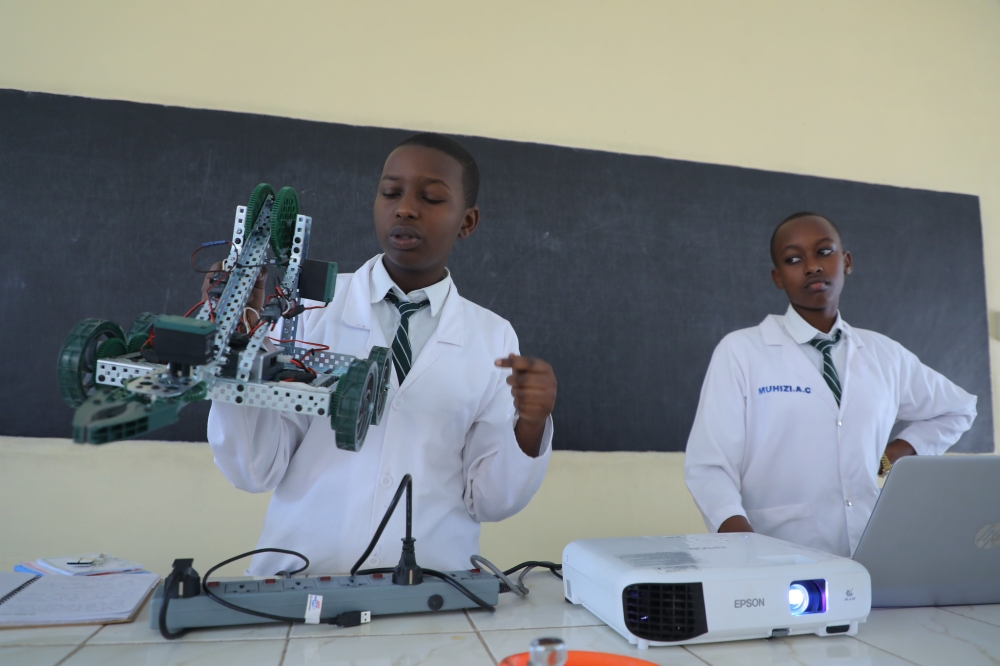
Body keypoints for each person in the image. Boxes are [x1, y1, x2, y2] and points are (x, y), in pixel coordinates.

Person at [207, 133, 557, 575]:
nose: (405, 208)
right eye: (390, 192)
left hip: (432, 590)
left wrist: (531, 423)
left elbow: (489, 499)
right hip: (300, 581)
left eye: (430, 198)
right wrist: (234, 344)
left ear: (467, 222)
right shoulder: (308, 312)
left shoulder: (493, 337)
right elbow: (253, 470)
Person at [683, 212, 976, 557]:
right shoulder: (742, 351)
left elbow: (958, 408)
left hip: (872, 553)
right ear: (778, 277)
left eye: (824, 252)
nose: (812, 267)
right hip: (776, 555)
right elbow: (709, 467)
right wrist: (746, 549)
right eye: (794, 259)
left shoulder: (884, 354)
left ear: (846, 261)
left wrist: (891, 456)